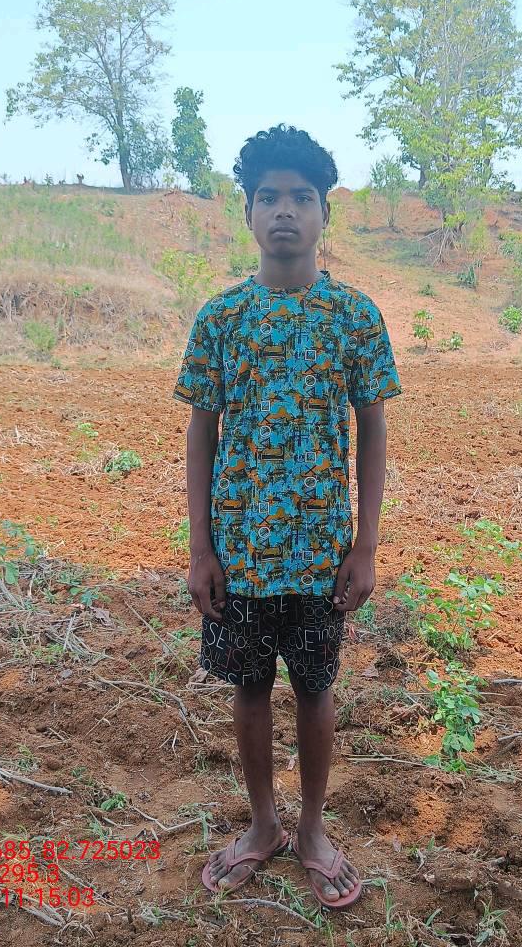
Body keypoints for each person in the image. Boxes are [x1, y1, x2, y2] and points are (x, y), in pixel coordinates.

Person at [172, 123, 402, 910]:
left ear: (324, 214)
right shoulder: (221, 319)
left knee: (314, 689)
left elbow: (372, 430)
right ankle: (263, 825)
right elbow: (200, 432)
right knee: (247, 688)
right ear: (247, 212)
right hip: (238, 554)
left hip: (319, 555)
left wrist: (365, 545)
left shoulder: (354, 316)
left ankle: (311, 831)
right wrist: (200, 547)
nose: (284, 211)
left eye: (302, 197)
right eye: (268, 196)